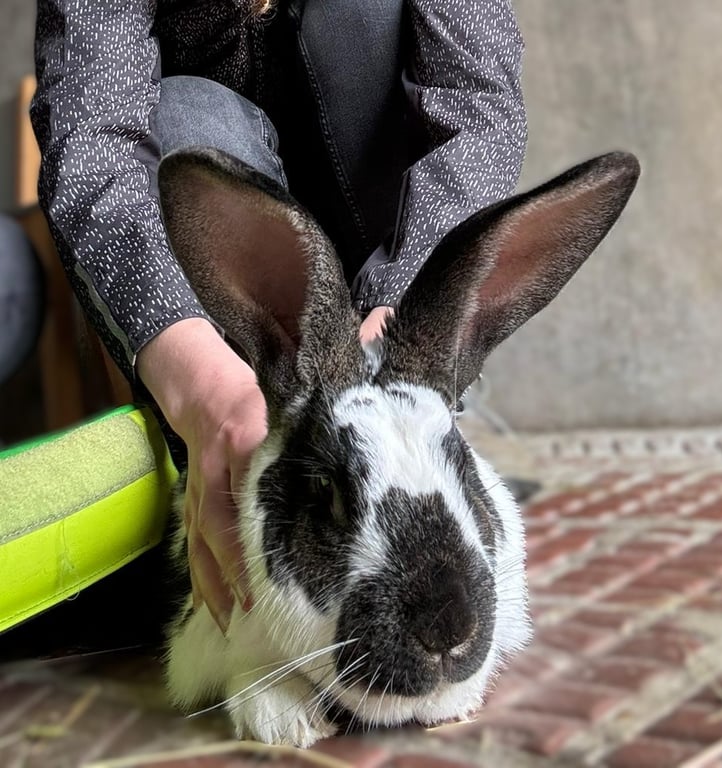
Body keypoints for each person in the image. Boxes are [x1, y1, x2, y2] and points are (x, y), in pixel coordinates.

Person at [31, 0, 527, 636]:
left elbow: (480, 105)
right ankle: (240, 482)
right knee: (183, 110)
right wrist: (206, 387)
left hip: (376, 261)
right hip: (229, 263)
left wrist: (403, 331)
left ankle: (400, 439)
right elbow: (91, 137)